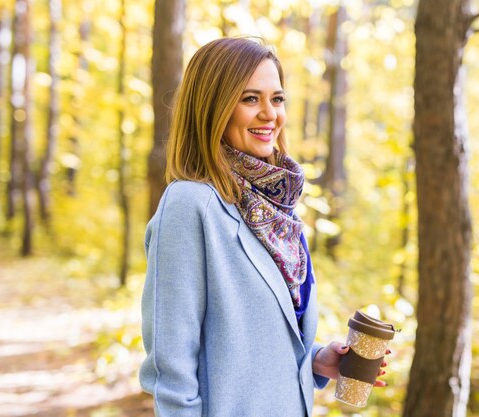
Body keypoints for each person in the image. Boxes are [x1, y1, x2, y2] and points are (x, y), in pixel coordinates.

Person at [139, 37, 388, 417]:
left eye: (277, 98)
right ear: (212, 109)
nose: (269, 114)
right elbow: (170, 367)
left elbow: (261, 341)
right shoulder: (191, 205)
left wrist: (319, 360)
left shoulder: (277, 210)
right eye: (250, 99)